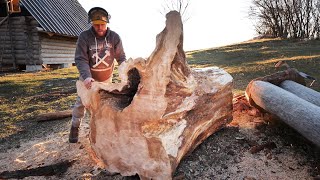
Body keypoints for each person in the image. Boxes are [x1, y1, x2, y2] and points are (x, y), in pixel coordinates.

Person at [69, 7, 126, 143]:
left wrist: (124, 71)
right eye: (96, 25)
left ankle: (103, 131)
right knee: (81, 103)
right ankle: (75, 127)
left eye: (102, 24)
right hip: (88, 78)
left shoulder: (114, 37)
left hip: (107, 78)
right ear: (91, 24)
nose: (99, 27)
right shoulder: (84, 37)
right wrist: (87, 77)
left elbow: (121, 57)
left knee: (105, 105)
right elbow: (81, 59)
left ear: (107, 23)